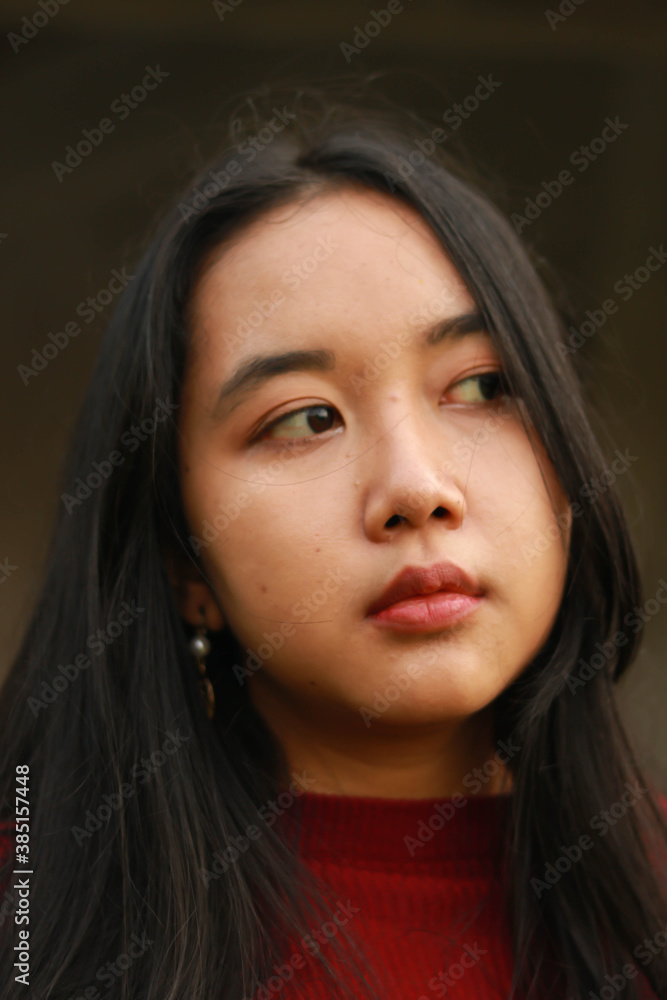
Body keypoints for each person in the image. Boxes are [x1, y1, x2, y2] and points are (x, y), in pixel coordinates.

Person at [0, 83, 665, 1000]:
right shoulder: (29, 910)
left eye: (479, 387)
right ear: (183, 556)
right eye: (306, 417)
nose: (416, 489)